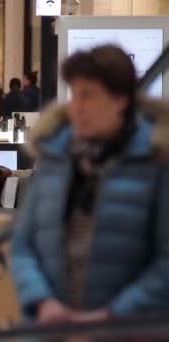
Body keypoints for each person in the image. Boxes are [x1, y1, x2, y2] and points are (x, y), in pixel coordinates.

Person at [10, 45, 169, 324]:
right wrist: (43, 302)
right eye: (74, 94)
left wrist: (111, 316)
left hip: (128, 332)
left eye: (88, 95)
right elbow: (23, 244)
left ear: (120, 99)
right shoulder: (55, 156)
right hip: (52, 329)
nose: (76, 107)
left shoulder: (156, 161)